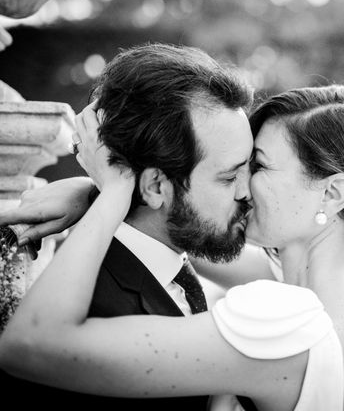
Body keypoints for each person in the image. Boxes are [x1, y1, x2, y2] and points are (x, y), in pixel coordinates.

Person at [0, 81, 344, 409]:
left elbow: (33, 345)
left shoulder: (284, 325)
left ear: (333, 194)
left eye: (260, 166)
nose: (244, 188)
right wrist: (101, 194)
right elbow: (191, 228)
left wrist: (113, 194)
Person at [0, 42, 268, 411]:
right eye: (228, 178)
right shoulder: (93, 311)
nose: (248, 192)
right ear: (156, 187)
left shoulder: (171, 261)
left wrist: (99, 193)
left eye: (249, 168)